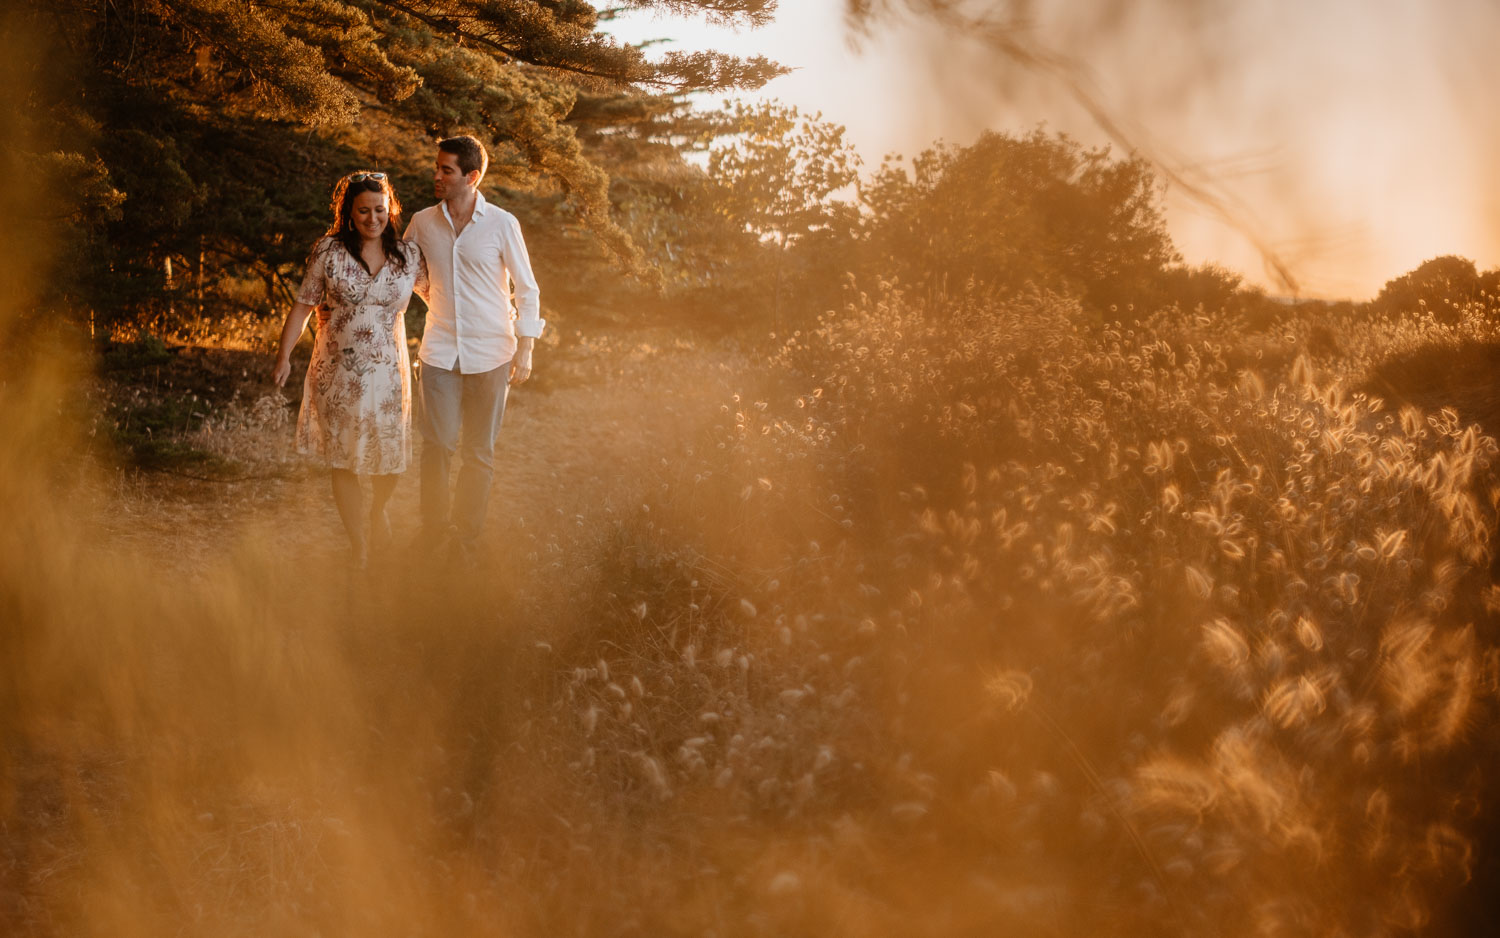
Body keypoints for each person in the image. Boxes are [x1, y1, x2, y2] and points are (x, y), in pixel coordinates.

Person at [271, 171, 425, 566]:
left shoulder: (409, 255)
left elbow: (440, 297)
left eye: (380, 209)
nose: (373, 218)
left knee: (388, 456)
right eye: (363, 211)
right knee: (344, 458)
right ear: (348, 213)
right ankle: (358, 543)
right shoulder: (329, 251)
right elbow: (304, 305)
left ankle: (378, 512)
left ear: (390, 209)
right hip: (339, 370)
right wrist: (284, 355)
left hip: (389, 370)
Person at [404, 135, 543, 563]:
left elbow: (528, 287)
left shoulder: (502, 224)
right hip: (440, 351)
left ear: (472, 176)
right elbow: (404, 270)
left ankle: (465, 538)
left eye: (446, 170)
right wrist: (435, 299)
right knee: (439, 444)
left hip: (493, 354)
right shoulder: (422, 222)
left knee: (478, 452)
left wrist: (526, 347)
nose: (437, 176)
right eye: (438, 167)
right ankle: (432, 531)